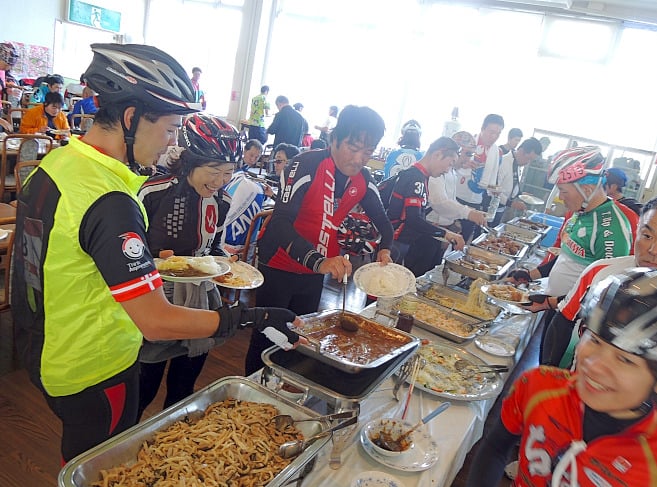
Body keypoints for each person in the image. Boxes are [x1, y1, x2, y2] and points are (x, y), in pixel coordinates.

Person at [11, 43, 303, 463]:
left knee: (81, 458)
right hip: (94, 364)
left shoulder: (56, 165)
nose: (170, 145)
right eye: (168, 129)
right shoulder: (108, 199)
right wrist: (247, 318)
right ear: (131, 118)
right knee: (102, 468)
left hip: (47, 348)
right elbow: (157, 320)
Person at [466, 269, 657, 487]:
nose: (595, 364)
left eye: (625, 359)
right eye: (595, 340)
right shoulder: (539, 385)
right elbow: (495, 448)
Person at [538, 194, 657, 414]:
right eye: (647, 235)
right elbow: (563, 320)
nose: (654, 249)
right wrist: (548, 373)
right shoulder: (602, 273)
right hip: (579, 394)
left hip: (640, 419)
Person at [245, 105, 394, 374]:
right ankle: (251, 389)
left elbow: (385, 224)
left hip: (315, 270)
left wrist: (384, 250)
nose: (359, 158)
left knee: (300, 335)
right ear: (334, 139)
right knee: (267, 335)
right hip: (280, 263)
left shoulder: (363, 178)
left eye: (368, 151)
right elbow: (279, 222)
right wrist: (319, 261)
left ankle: (283, 392)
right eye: (353, 147)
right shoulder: (305, 164)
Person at [137, 114, 242, 418]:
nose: (221, 182)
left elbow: (212, 246)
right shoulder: (154, 191)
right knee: (145, 386)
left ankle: (174, 440)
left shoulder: (219, 200)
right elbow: (124, 248)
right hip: (155, 298)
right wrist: (155, 258)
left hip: (200, 299)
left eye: (229, 173)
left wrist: (224, 259)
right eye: (214, 171)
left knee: (184, 384)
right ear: (190, 161)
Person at [509, 146, 632, 298]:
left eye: (564, 190)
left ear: (586, 189)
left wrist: (553, 303)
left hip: (571, 317)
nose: (560, 197)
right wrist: (531, 274)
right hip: (557, 306)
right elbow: (567, 259)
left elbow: (601, 293)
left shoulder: (611, 230)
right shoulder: (581, 212)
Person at [387, 136, 466, 277]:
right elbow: (413, 220)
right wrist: (445, 233)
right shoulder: (415, 178)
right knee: (383, 286)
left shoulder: (421, 177)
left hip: (401, 241)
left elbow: (414, 214)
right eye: (450, 163)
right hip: (396, 243)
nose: (448, 170)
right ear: (437, 154)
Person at [426, 131, 487, 234]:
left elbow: (451, 200)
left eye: (471, 154)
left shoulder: (452, 171)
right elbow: (440, 202)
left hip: (443, 228)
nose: (469, 158)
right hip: (429, 227)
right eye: (468, 154)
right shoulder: (438, 170)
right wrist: (468, 213)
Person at [489, 136, 543, 226]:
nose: (528, 162)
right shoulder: (504, 162)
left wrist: (520, 194)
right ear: (521, 151)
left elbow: (509, 184)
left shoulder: (516, 164)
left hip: (501, 208)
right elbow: (492, 187)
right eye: (528, 158)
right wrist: (511, 203)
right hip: (490, 206)